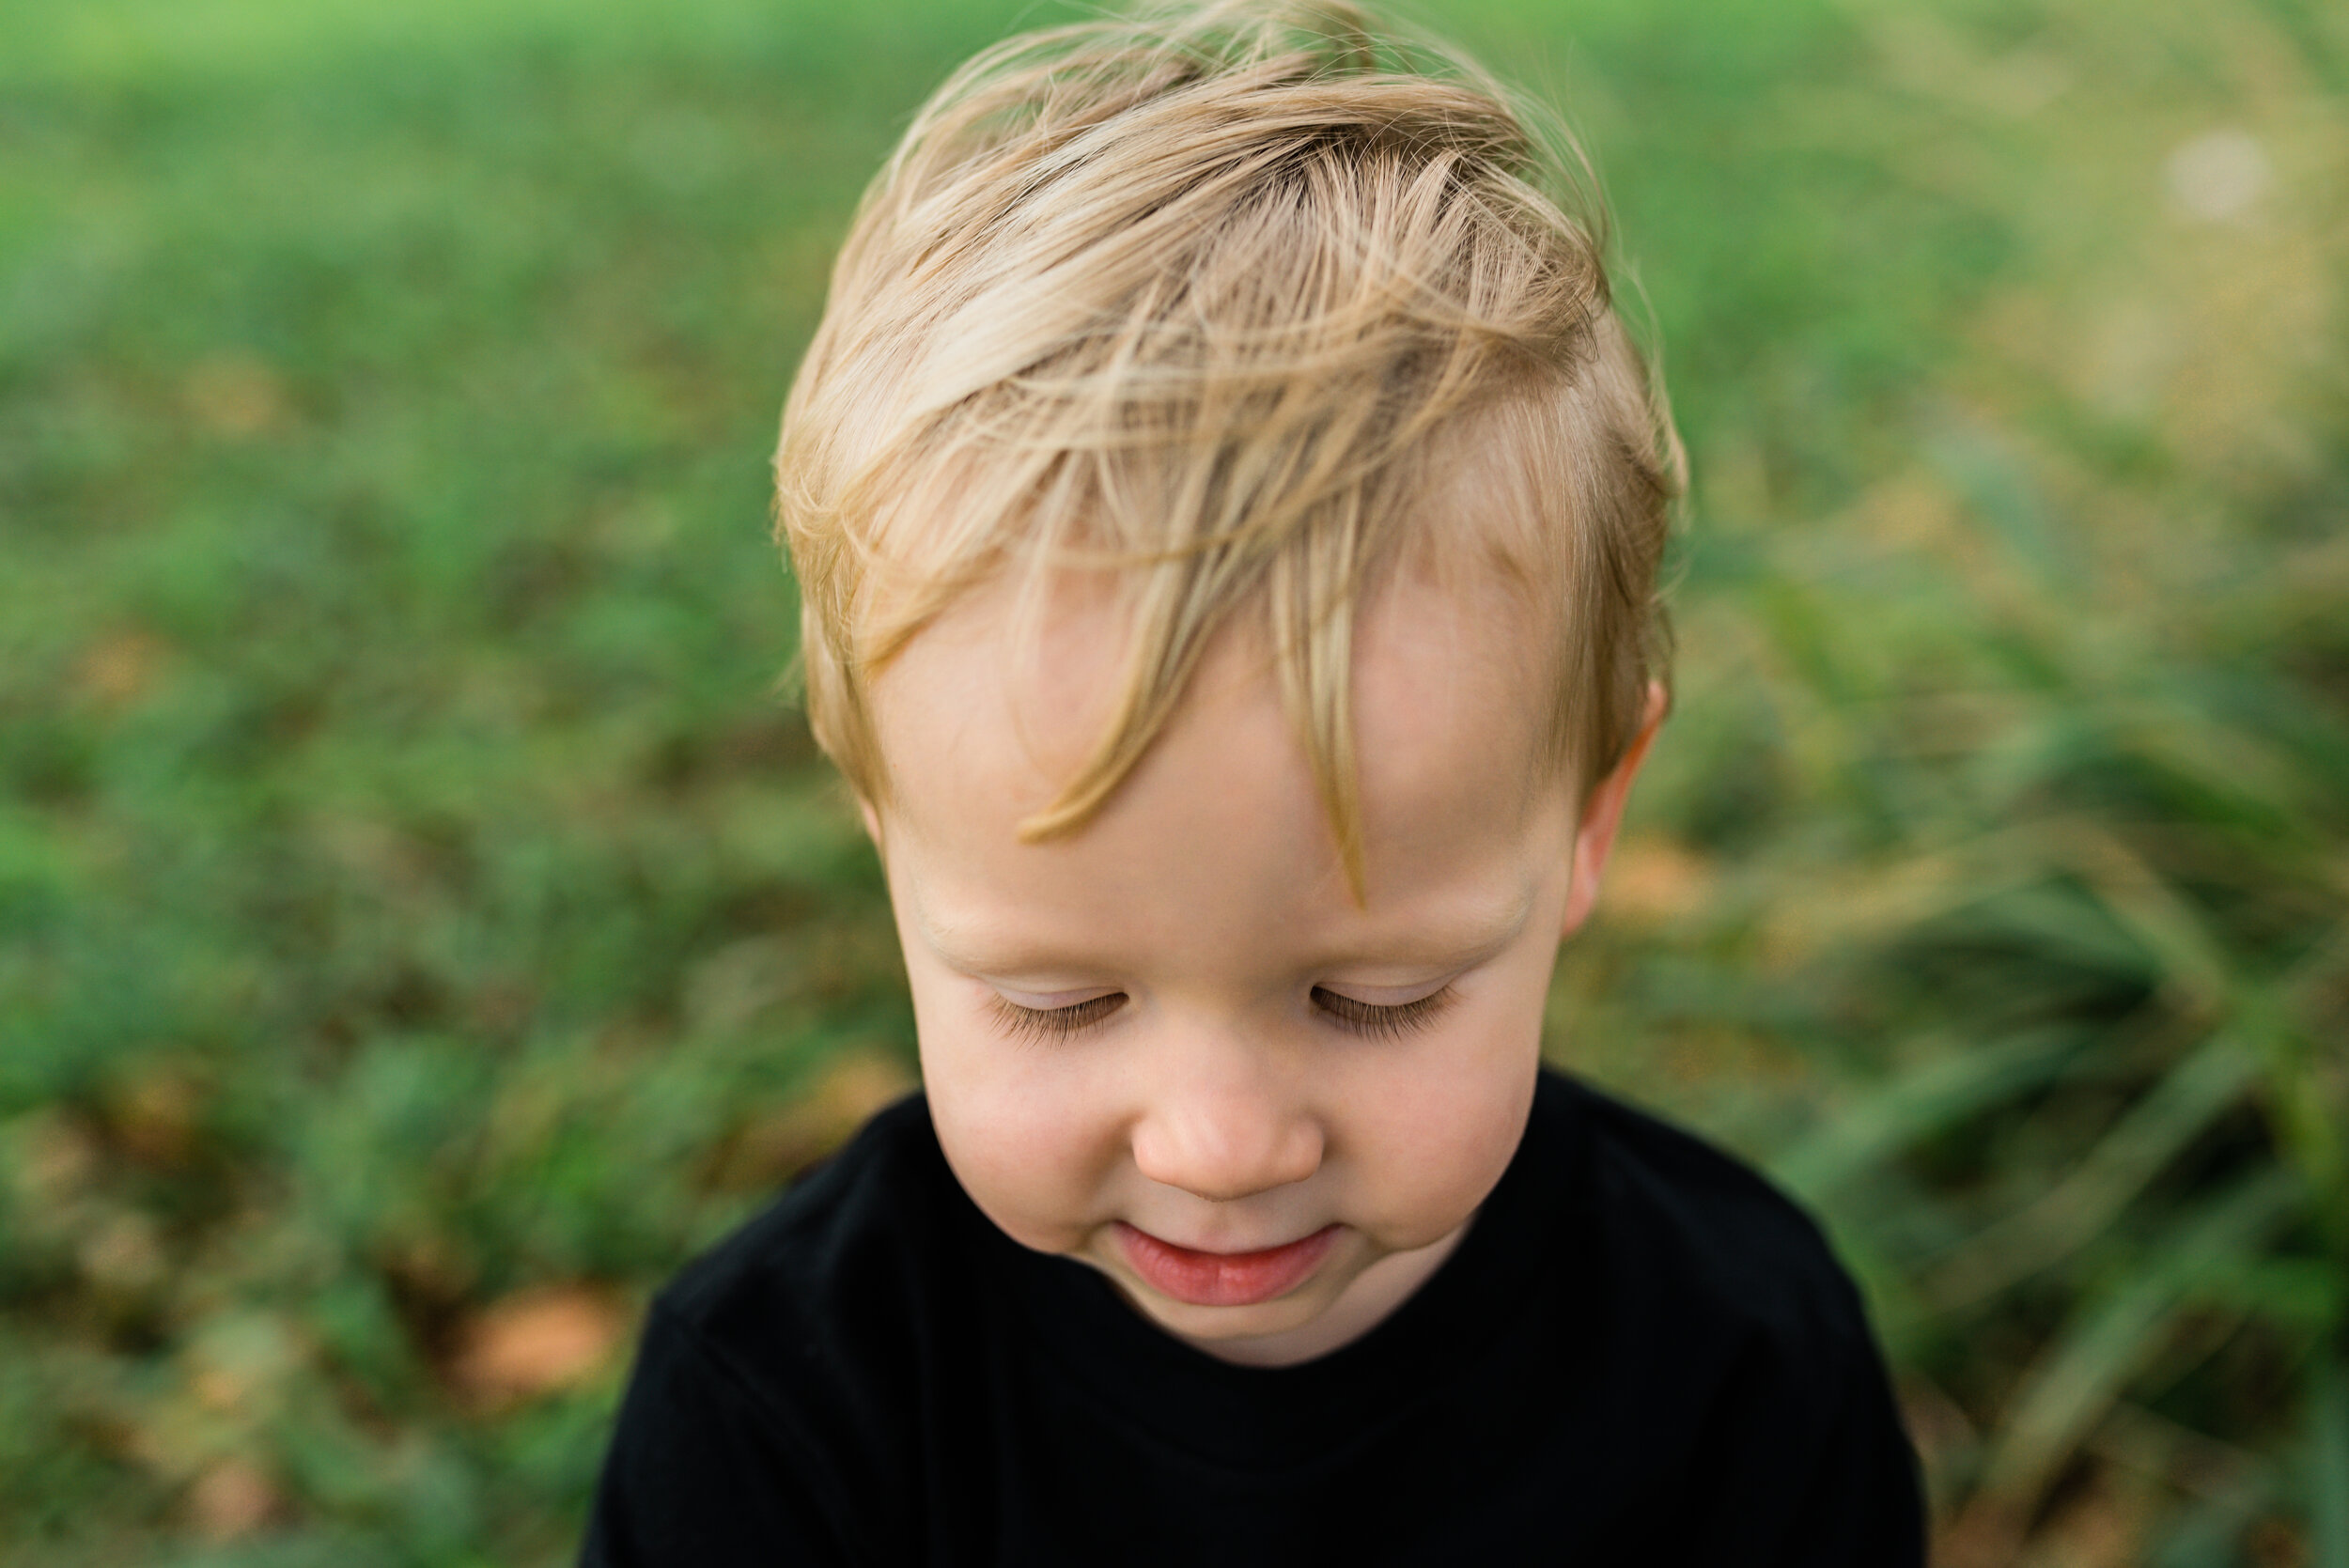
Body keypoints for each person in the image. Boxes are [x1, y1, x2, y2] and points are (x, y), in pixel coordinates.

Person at [581, 1, 1925, 1560]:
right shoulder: (788, 1406)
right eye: (1061, 999)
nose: (1219, 1146)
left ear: (1591, 814)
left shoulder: (1735, 1357)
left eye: (1374, 995)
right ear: (884, 833)